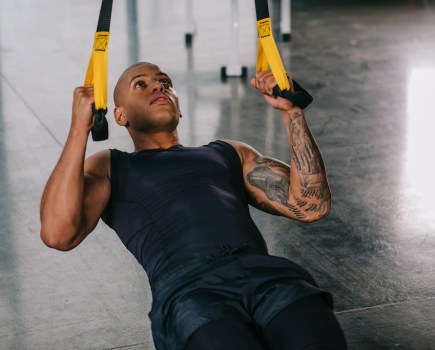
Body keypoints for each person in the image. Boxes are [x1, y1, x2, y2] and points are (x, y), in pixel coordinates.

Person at [40, 62, 347, 350]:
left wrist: (291, 111)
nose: (158, 87)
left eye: (165, 83)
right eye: (141, 84)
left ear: (179, 106)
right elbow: (58, 233)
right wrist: (79, 130)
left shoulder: (228, 153)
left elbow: (311, 205)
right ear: (120, 116)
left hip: (269, 278)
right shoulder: (112, 166)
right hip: (192, 295)